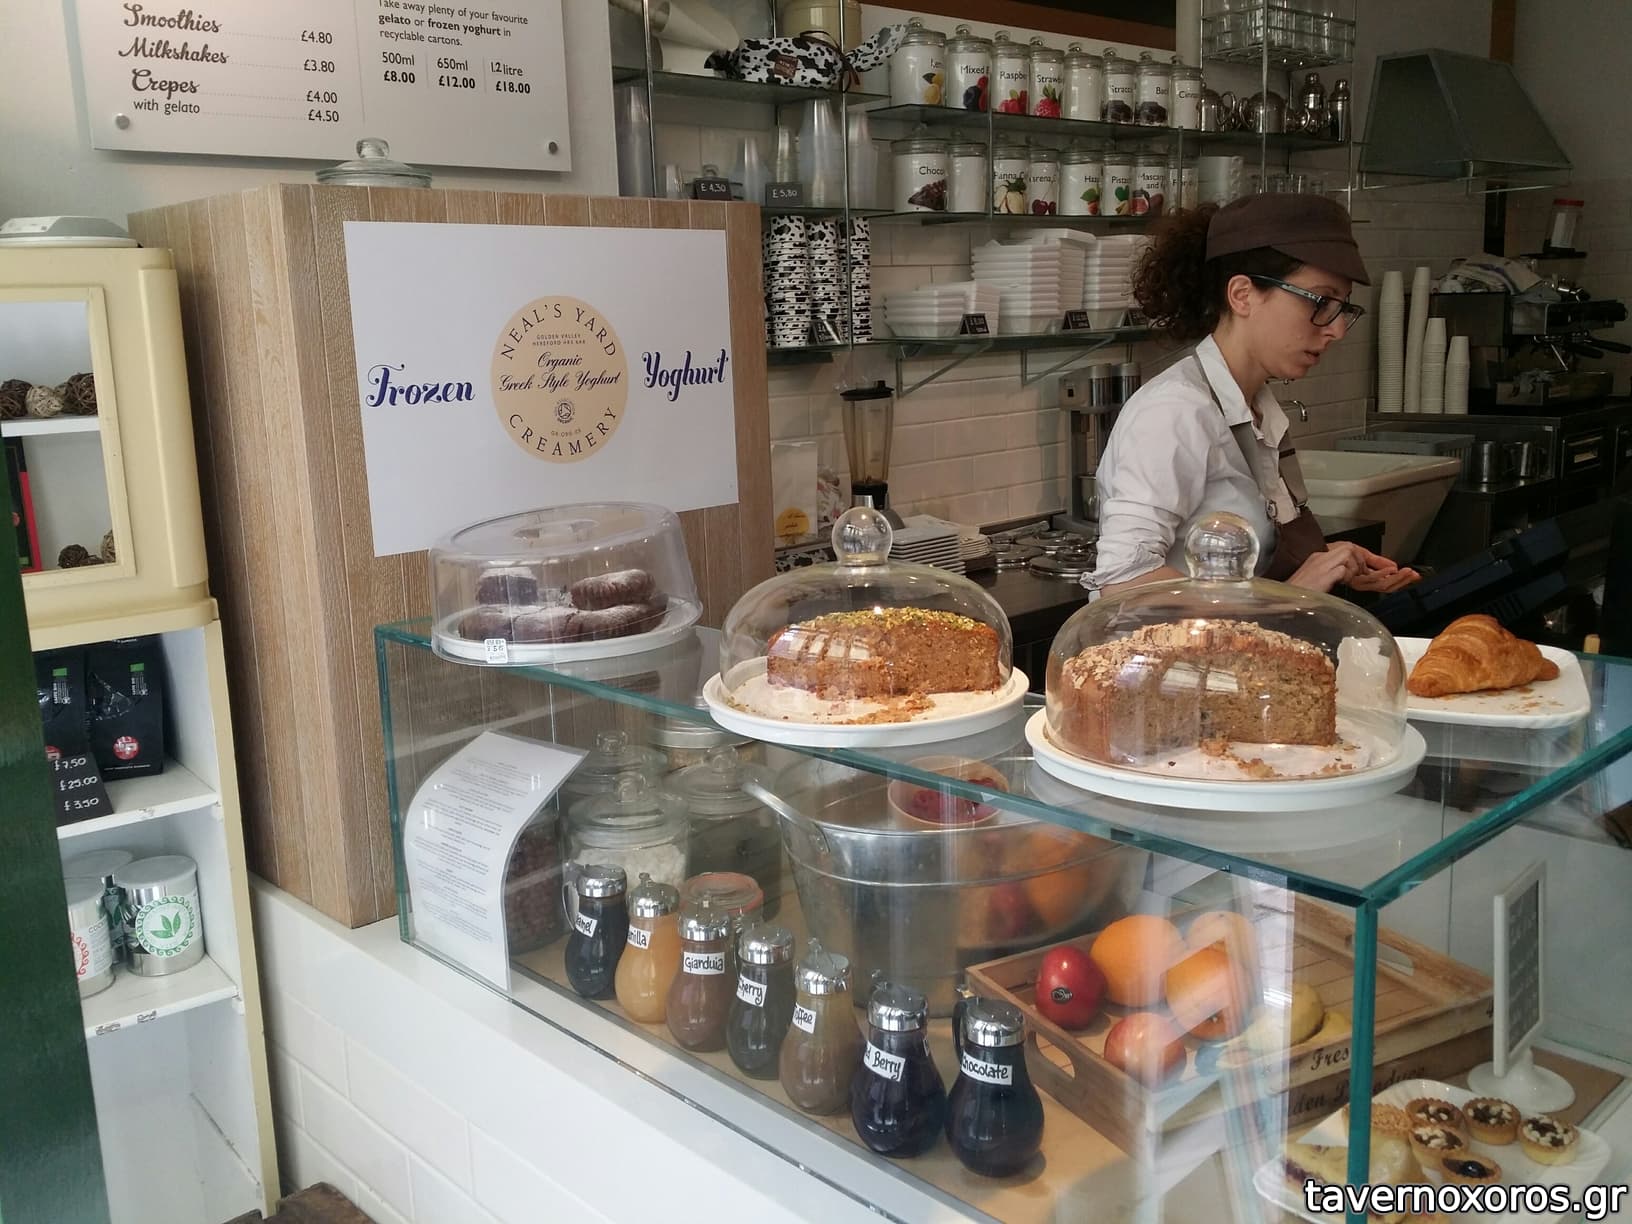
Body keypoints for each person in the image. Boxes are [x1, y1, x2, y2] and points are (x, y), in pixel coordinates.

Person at [1088, 193, 1419, 597]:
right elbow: (1125, 585)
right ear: (1242, 295)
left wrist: (1328, 563)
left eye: (1342, 307)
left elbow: (1240, 569)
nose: (1336, 330)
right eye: (1321, 301)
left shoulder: (1256, 406)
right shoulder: (1174, 412)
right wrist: (1292, 592)